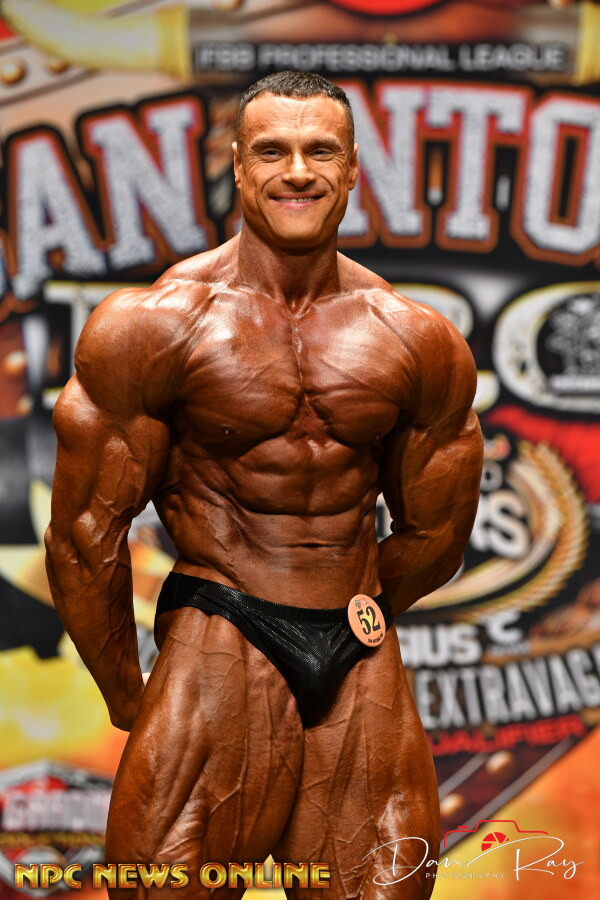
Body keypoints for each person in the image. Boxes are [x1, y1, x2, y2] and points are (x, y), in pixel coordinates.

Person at [45, 71, 483, 899]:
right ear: (239, 167)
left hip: (357, 650)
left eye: (321, 151)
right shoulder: (157, 326)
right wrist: (128, 696)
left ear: (353, 169)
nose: (298, 172)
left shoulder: (414, 337)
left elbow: (437, 531)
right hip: (221, 629)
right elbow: (83, 537)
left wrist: (351, 608)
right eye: (273, 151)